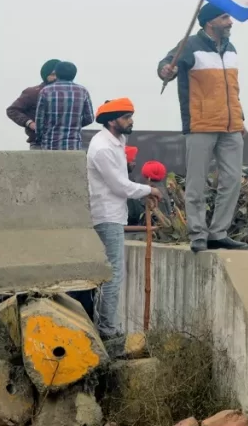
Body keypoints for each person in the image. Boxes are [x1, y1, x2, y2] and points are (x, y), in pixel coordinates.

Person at [157, 2, 248, 254]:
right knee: (196, 184)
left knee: (232, 181)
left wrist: (241, 118)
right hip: (200, 125)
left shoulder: (231, 50)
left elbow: (232, 90)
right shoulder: (190, 46)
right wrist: (166, 70)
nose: (230, 22)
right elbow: (167, 64)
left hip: (231, 126)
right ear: (210, 22)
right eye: (225, 17)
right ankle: (198, 233)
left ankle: (218, 233)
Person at [86, 97, 161, 340]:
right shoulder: (103, 148)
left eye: (130, 116)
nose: (131, 121)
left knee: (109, 274)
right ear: (111, 121)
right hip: (106, 215)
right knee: (113, 274)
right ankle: (108, 329)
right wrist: (149, 190)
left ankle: (104, 325)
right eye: (126, 117)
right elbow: (119, 186)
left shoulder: (118, 140)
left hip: (113, 213)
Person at [35, 61, 94, 151]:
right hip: (73, 145)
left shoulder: (46, 91)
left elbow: (39, 121)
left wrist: (39, 137)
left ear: (57, 73)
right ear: (74, 74)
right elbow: (89, 118)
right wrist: (75, 124)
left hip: (50, 144)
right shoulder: (83, 91)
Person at [7, 59, 61, 150]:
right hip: (39, 143)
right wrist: (30, 123)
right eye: (52, 75)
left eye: (58, 75)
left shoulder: (68, 95)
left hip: (62, 143)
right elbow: (12, 110)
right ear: (45, 75)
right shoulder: (33, 92)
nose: (55, 78)